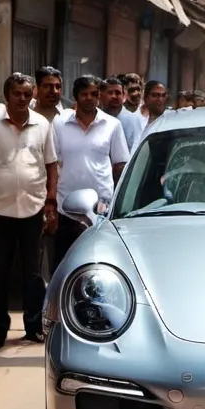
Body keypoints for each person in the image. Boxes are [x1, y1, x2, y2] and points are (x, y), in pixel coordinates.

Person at [0, 73, 58, 351]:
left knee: (34, 273)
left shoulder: (42, 124)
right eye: (17, 94)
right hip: (0, 211)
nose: (23, 99)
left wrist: (50, 200)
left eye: (27, 94)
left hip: (33, 207)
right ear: (6, 96)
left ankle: (34, 327)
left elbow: (51, 163)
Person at [52, 75, 130, 269]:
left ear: (99, 96)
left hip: (101, 209)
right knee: (63, 263)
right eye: (84, 94)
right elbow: (52, 163)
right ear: (75, 97)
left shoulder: (112, 124)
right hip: (66, 207)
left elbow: (120, 165)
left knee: (98, 263)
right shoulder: (59, 123)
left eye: (94, 94)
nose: (89, 98)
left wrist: (113, 201)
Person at [101, 75, 141, 153]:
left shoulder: (132, 120)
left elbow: (135, 151)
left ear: (123, 96)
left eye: (118, 93)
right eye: (110, 93)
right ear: (101, 96)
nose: (114, 96)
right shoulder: (96, 118)